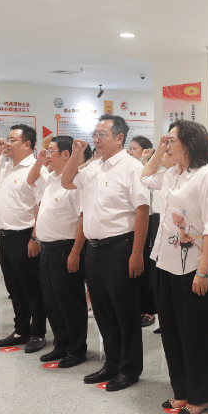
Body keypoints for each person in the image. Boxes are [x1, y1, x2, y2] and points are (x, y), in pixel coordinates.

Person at [62, 114, 150, 391]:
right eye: (95, 134)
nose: (96, 140)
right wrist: (76, 154)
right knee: (102, 310)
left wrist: (137, 254)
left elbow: (142, 211)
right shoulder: (94, 167)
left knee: (125, 312)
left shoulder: (132, 167)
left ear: (119, 138)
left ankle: (129, 368)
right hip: (95, 248)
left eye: (102, 135)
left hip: (121, 247)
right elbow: (67, 181)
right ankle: (111, 363)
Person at [142, 121, 208, 414]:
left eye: (172, 140)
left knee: (196, 335)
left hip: (194, 267)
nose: (167, 145)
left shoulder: (206, 176)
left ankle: (202, 396)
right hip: (166, 262)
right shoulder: (171, 174)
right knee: (172, 332)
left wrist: (203, 271)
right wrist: (159, 148)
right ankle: (182, 391)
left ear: (189, 143)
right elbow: (144, 176)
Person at [26, 136, 89, 367]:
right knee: (51, 301)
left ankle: (77, 349)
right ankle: (61, 344)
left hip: (66, 249)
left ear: (66, 154)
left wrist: (75, 252)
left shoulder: (74, 183)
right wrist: (41, 159)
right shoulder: (51, 179)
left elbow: (83, 219)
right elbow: (31, 179)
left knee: (70, 301)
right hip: (47, 249)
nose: (47, 155)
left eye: (51, 151)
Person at [0, 125, 46, 352]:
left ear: (27, 144)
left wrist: (35, 238)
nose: (8, 143)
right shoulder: (5, 167)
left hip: (25, 236)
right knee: (14, 288)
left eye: (12, 140)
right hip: (4, 237)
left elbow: (42, 206)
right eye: (7, 139)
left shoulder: (35, 169)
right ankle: (21, 330)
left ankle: (38, 333)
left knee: (31, 288)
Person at [129, 135, 159, 329]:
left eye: (134, 148)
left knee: (148, 269)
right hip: (133, 224)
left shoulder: (148, 170)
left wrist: (143, 161)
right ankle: (139, 307)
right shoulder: (130, 168)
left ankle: (149, 310)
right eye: (130, 148)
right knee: (136, 272)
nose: (130, 151)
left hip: (149, 221)